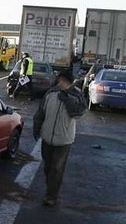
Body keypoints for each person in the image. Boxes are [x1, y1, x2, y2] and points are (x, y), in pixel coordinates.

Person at [32, 70, 86, 206]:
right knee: (48, 167)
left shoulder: (77, 95)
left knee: (57, 168)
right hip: (47, 136)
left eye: (64, 81)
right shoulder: (51, 93)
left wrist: (68, 100)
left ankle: (51, 196)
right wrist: (37, 128)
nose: (61, 83)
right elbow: (40, 112)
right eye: (60, 80)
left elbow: (79, 113)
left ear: (70, 82)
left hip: (64, 139)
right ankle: (50, 188)